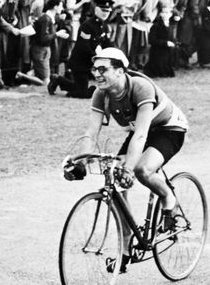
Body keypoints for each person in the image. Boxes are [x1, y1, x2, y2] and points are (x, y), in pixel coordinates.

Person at [69, 47, 189, 272]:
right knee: (114, 176)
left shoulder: (140, 87)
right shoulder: (101, 93)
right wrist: (80, 162)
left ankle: (169, 199)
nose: (96, 73)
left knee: (142, 170)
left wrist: (130, 169)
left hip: (167, 129)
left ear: (120, 71)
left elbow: (142, 134)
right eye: (94, 68)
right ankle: (125, 248)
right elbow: (91, 133)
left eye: (103, 69)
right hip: (139, 133)